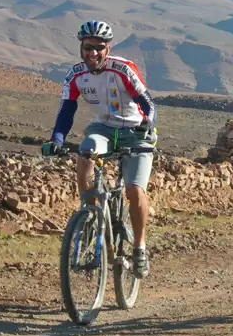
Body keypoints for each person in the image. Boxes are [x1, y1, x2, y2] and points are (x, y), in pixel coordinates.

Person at [42, 20, 157, 278]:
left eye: (98, 47)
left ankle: (139, 246)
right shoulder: (75, 75)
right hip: (104, 128)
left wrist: (148, 125)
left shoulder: (124, 70)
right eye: (87, 47)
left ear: (108, 48)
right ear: (80, 48)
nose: (92, 53)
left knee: (134, 190)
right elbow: (66, 111)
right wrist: (57, 141)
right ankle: (90, 217)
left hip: (135, 131)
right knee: (86, 151)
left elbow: (147, 103)